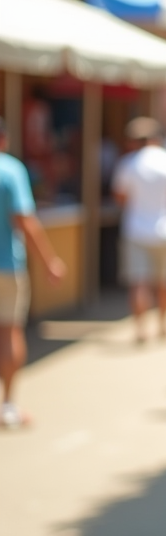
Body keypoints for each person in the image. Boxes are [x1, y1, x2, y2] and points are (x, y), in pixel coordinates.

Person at [0, 118, 66, 429]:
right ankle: (8, 404)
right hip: (7, 266)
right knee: (10, 331)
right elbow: (26, 221)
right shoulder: (10, 170)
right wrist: (49, 261)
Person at [112, 117, 166, 343]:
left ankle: (140, 330)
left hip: (135, 230)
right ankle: (165, 326)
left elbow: (120, 197)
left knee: (139, 282)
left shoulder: (128, 163)